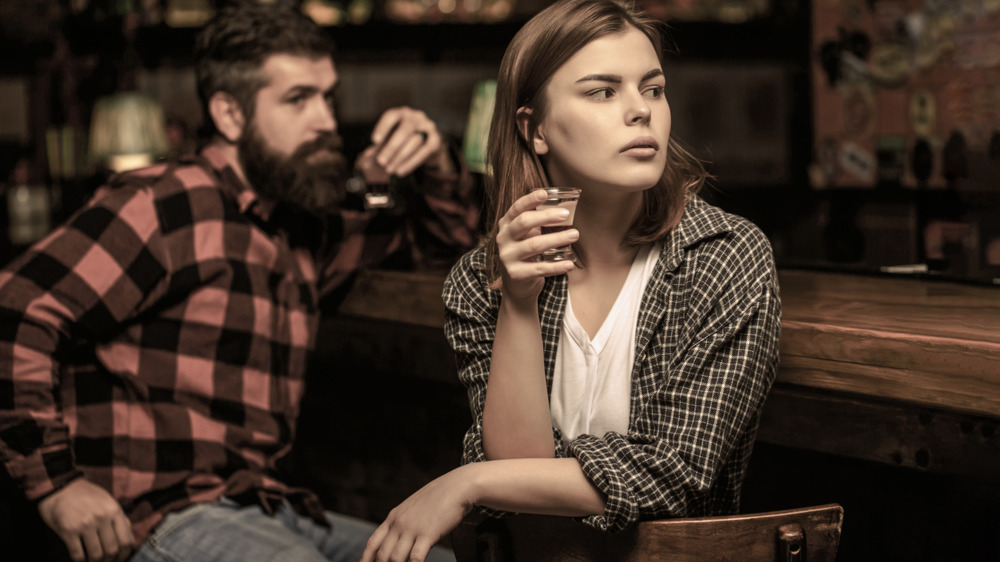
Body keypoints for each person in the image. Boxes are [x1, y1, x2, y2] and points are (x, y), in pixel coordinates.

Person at [0, 2, 477, 562]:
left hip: (265, 504)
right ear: (229, 113)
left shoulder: (298, 226)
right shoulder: (168, 200)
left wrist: (438, 154)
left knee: (440, 559)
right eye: (298, 99)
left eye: (328, 95)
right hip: (158, 514)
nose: (325, 119)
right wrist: (56, 484)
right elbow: (15, 311)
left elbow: (444, 245)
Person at [360, 0, 782, 560]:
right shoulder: (478, 282)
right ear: (534, 130)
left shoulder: (722, 257)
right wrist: (517, 301)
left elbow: (671, 474)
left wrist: (468, 483)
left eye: (652, 88)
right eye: (602, 92)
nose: (641, 112)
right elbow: (521, 475)